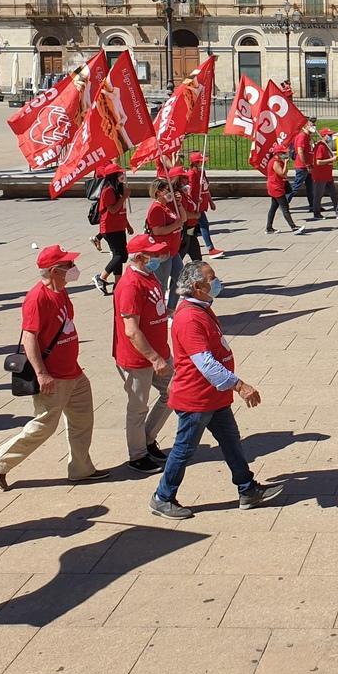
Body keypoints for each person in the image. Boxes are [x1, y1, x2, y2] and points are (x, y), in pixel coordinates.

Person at [149, 262, 281, 519]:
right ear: (198, 286)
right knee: (184, 449)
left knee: (231, 441)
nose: (217, 282)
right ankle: (162, 497)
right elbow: (206, 364)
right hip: (196, 399)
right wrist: (240, 386)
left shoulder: (201, 307)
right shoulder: (190, 318)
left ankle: (247, 488)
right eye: (212, 279)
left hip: (214, 396)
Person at [0, 246, 108, 491]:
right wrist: (42, 374)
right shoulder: (37, 298)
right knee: (44, 425)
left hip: (73, 372)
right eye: (68, 265)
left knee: (82, 420)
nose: (73, 269)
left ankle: (81, 469)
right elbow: (29, 338)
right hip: (53, 376)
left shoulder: (61, 291)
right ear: (54, 270)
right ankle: (0, 461)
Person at [114, 234, 173, 474]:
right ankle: (137, 455)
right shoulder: (130, 285)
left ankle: (147, 438)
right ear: (139, 257)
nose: (159, 256)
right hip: (138, 358)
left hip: (159, 351)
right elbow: (131, 330)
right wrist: (155, 358)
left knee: (173, 392)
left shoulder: (148, 275)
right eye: (154, 254)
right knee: (138, 407)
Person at [145, 177, 187, 310]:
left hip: (173, 251)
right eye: (167, 190)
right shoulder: (156, 209)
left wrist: (179, 204)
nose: (170, 192)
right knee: (161, 284)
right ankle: (159, 312)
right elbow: (157, 231)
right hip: (162, 252)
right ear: (158, 192)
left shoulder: (168, 205)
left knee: (181, 280)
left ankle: (170, 309)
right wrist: (176, 225)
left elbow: (183, 218)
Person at [93, 162, 130, 296]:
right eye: (119, 174)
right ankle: (101, 277)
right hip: (110, 228)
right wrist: (124, 197)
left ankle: (117, 284)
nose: (122, 175)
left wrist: (127, 224)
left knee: (118, 255)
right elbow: (113, 210)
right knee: (121, 255)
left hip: (119, 226)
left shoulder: (119, 188)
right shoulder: (108, 190)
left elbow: (122, 210)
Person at [188, 152, 223, 258]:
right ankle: (210, 248)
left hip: (202, 204)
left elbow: (206, 188)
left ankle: (187, 247)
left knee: (193, 229)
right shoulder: (191, 174)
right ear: (195, 163)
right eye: (201, 161)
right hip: (196, 205)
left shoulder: (202, 172)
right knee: (203, 225)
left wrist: (210, 201)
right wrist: (194, 201)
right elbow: (189, 191)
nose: (204, 163)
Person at [262, 154, 301, 237]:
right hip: (276, 188)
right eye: (283, 153)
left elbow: (285, 172)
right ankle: (293, 227)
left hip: (276, 187)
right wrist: (286, 163)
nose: (285, 154)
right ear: (278, 153)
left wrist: (284, 163)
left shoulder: (278, 161)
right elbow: (282, 173)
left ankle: (269, 228)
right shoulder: (275, 162)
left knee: (273, 208)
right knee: (285, 208)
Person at [310, 127, 338, 218]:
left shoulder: (326, 146)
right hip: (320, 176)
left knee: (334, 194)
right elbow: (318, 162)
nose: (331, 136)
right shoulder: (320, 146)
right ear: (324, 136)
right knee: (318, 195)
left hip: (327, 175)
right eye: (329, 135)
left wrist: (332, 160)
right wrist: (332, 159)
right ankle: (316, 213)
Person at [290, 121, 317, 215]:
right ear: (306, 126)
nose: (314, 126)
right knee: (296, 187)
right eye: (311, 125)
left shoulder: (308, 136)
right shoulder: (302, 136)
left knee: (311, 187)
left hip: (308, 165)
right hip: (302, 166)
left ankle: (313, 206)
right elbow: (300, 152)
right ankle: (283, 203)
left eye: (314, 125)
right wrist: (307, 165)